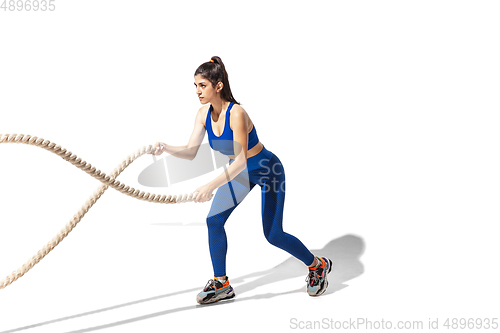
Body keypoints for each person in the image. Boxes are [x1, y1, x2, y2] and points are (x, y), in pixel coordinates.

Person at [151, 56, 332, 304]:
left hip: (268, 170)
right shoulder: (203, 114)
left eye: (202, 85)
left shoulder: (236, 113)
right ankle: (221, 283)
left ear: (218, 85)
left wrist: (209, 186)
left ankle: (317, 265)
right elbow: (191, 151)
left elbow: (238, 160)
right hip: (242, 174)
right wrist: (166, 147)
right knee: (214, 221)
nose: (197, 91)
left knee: (273, 234)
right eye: (195, 85)